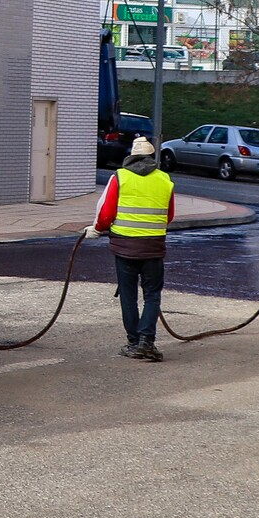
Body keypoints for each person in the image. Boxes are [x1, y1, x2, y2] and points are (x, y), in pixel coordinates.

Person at [89, 135, 173, 361]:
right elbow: (170, 215)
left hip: (125, 247)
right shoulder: (165, 180)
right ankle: (147, 342)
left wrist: (96, 229)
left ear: (131, 156)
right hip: (153, 247)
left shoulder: (120, 177)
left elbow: (106, 212)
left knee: (128, 295)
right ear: (152, 157)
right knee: (152, 295)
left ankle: (133, 342)